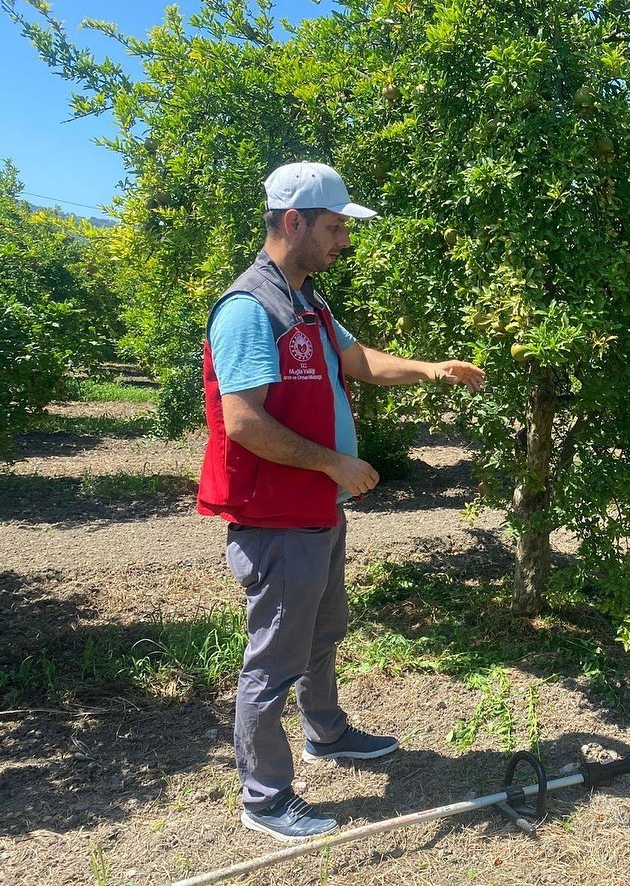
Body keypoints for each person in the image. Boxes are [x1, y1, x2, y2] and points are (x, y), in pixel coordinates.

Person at [196, 161, 485, 842]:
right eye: (333, 228)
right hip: (275, 518)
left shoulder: (308, 303)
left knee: (322, 634)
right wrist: (335, 462)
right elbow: (243, 422)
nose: (343, 243)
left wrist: (432, 370)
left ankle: (327, 732)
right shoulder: (249, 309)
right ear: (292, 222)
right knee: (273, 660)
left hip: (315, 511)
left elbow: (359, 362)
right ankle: (265, 799)